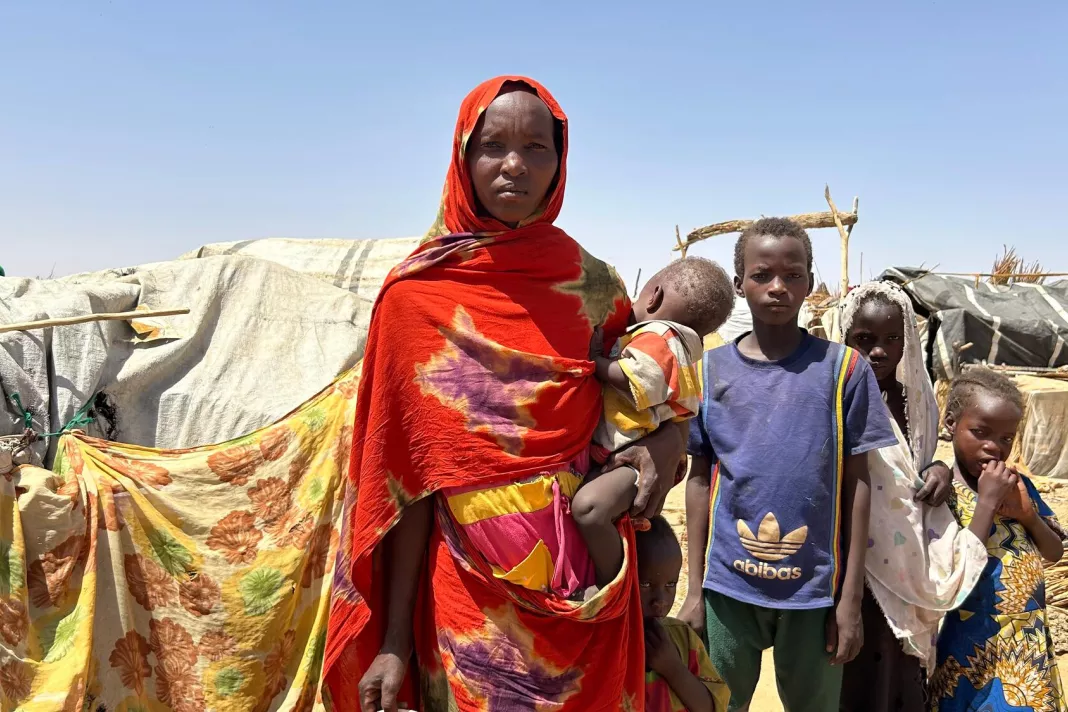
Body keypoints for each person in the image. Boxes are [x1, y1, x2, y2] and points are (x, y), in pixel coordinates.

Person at [323, 76, 687, 712]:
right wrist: (393, 643)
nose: (515, 164)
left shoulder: (593, 288)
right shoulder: (415, 298)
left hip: (587, 592)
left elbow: (647, 398)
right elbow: (407, 486)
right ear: (463, 159)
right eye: (493, 146)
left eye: (537, 148)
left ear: (560, 161)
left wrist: (671, 436)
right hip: (466, 596)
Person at [678, 217, 898, 712]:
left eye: (793, 275)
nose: (778, 287)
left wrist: (849, 601)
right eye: (762, 275)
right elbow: (698, 482)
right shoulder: (709, 374)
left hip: (815, 591)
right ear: (739, 285)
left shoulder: (844, 370)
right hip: (727, 588)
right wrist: (695, 590)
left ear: (810, 282)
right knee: (718, 703)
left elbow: (858, 485)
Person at [838, 281, 988, 712]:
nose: (879, 352)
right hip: (852, 560)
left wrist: (939, 469)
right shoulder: (833, 398)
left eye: (891, 340)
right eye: (864, 340)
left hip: (906, 556)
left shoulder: (913, 400)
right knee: (856, 664)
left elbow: (916, 462)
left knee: (896, 666)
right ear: (846, 338)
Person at [573, 257, 734, 587]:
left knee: (589, 509)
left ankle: (612, 583)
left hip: (635, 457)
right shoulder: (687, 346)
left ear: (654, 295)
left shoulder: (660, 336)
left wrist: (598, 363)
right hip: (634, 451)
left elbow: (641, 378)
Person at [928, 368, 1066, 711]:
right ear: (950, 423)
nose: (994, 447)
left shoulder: (1020, 485)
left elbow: (1054, 551)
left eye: (1006, 438)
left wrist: (1026, 515)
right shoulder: (943, 493)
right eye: (980, 432)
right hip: (968, 647)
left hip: (1026, 646)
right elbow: (955, 567)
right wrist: (987, 502)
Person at [638, 515, 730, 712]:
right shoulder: (605, 644)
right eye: (645, 584)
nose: (660, 601)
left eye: (671, 584)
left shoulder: (683, 639)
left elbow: (712, 707)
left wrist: (672, 668)